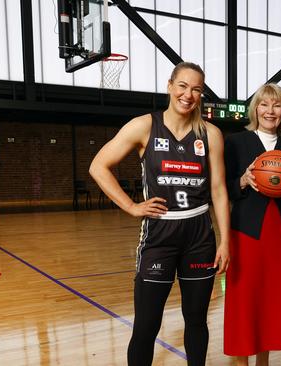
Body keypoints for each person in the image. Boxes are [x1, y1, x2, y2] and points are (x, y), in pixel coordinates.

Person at [89, 62, 230, 366]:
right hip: (159, 236)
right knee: (146, 326)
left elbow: (218, 190)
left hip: (199, 236)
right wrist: (131, 206)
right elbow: (98, 166)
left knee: (196, 321)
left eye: (196, 89)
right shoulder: (144, 126)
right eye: (182, 85)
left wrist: (225, 242)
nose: (188, 94)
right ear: (170, 86)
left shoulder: (211, 135)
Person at [223, 83, 281, 366]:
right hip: (246, 232)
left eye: (277, 105)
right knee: (245, 300)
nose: (270, 111)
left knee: (271, 302)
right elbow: (223, 189)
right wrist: (243, 181)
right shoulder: (235, 142)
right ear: (255, 109)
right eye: (264, 104)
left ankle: (263, 363)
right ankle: (241, 362)